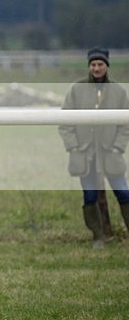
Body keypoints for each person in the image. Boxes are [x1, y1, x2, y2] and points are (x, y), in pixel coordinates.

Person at [59, 48, 129, 248]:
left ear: (107, 66)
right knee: (90, 196)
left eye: (100, 64)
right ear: (89, 66)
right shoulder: (76, 90)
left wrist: (118, 147)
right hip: (85, 154)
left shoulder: (118, 92)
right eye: (93, 65)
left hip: (110, 154)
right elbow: (65, 123)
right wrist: (74, 147)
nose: (96, 68)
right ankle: (98, 236)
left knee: (123, 192)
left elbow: (126, 124)